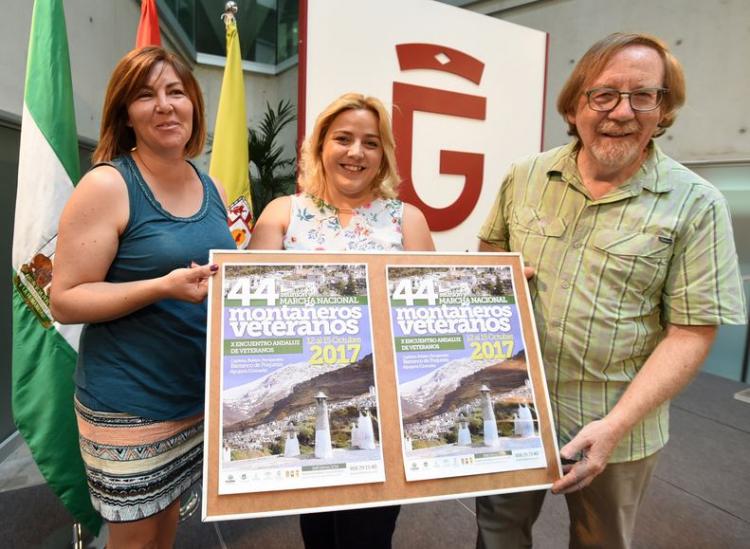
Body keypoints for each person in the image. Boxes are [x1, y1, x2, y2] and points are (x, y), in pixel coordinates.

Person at [475, 32, 745, 549]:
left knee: (602, 542)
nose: (622, 111)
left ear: (663, 110)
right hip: (513, 409)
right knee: (498, 534)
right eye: (604, 94)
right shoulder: (525, 176)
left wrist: (615, 426)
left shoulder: (697, 203)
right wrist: (495, 282)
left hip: (617, 425)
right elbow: (489, 258)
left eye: (643, 95)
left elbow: (691, 332)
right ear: (575, 104)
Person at [50, 46, 235, 548]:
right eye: (146, 95)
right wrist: (162, 287)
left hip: (191, 398)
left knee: (165, 528)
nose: (165, 105)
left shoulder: (211, 184)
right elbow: (64, 299)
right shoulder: (108, 185)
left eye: (176, 92)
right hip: (129, 405)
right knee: (132, 541)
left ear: (193, 104)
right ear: (126, 115)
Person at [250, 92, 434, 548]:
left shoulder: (407, 220)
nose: (356, 152)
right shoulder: (283, 213)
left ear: (383, 156)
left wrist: (497, 291)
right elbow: (247, 302)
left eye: (370, 143)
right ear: (320, 147)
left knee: (369, 533)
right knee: (317, 530)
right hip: (303, 397)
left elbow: (429, 318)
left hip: (383, 404)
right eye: (343, 139)